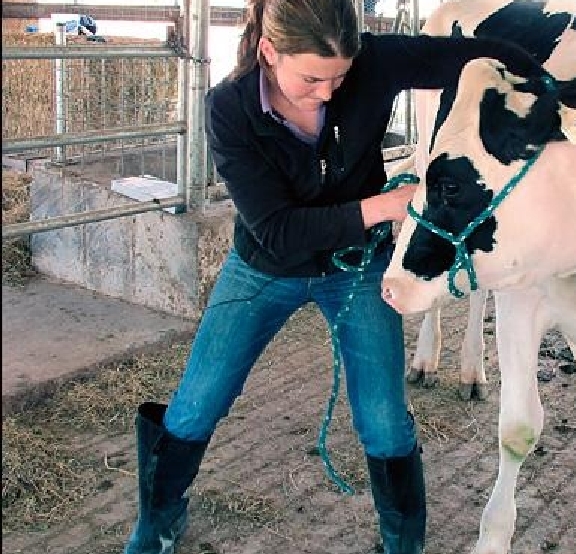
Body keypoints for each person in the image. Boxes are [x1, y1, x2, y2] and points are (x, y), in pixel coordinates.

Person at [121, 1, 546, 553]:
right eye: (312, 78)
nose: (327, 91)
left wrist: (545, 78)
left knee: (384, 420)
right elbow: (276, 231)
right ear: (269, 52)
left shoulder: (374, 63)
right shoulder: (228, 108)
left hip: (356, 266)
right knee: (198, 402)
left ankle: (403, 543)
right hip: (263, 268)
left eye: (340, 77)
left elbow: (472, 56)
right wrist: (382, 208)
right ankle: (157, 520)